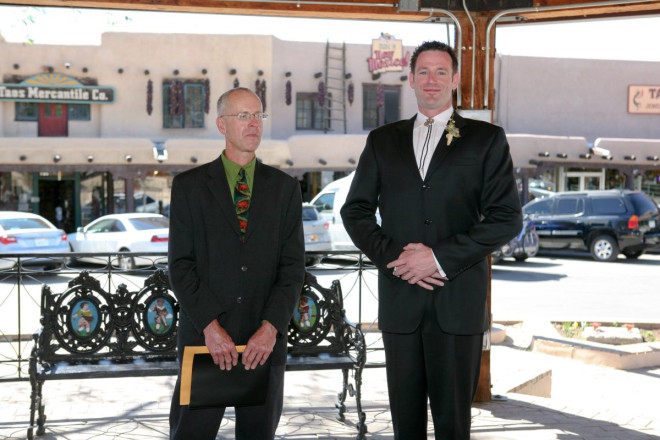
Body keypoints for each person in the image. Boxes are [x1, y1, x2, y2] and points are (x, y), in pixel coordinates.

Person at [340, 41, 522, 440]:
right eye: (423, 71)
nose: (432, 80)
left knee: (453, 424)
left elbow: (506, 218)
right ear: (411, 80)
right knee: (405, 424)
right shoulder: (382, 140)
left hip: (457, 304)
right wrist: (397, 259)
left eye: (442, 72)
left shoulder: (486, 139)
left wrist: (438, 258)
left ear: (455, 80)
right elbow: (354, 211)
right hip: (400, 303)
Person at [168, 87, 306, 440]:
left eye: (258, 116)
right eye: (243, 116)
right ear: (221, 125)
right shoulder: (189, 187)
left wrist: (271, 328)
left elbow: (292, 268)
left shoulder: (285, 188)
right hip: (206, 341)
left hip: (264, 345)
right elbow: (181, 266)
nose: (253, 124)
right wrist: (211, 329)